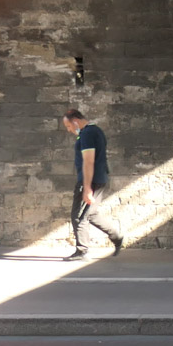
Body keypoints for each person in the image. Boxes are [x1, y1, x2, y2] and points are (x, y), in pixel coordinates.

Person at [61, 108, 124, 260]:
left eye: (69, 126)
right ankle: (116, 237)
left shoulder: (87, 134)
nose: (69, 130)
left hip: (90, 180)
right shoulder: (94, 131)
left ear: (75, 121)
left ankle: (82, 251)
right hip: (99, 178)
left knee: (78, 216)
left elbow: (88, 161)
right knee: (91, 213)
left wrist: (87, 187)